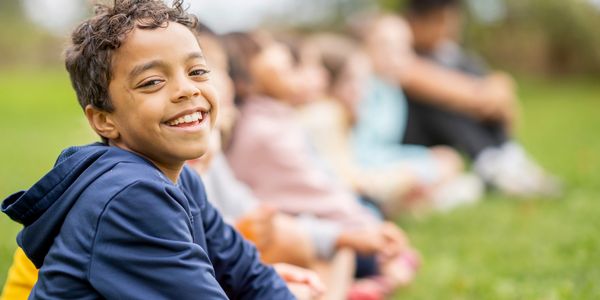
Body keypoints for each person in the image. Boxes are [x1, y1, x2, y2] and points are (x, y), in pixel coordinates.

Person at [0, 1, 312, 298]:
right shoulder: (130, 196)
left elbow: (247, 273)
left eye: (197, 71)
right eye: (151, 82)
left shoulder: (181, 179)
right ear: (104, 120)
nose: (187, 89)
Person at [221, 31, 420, 299]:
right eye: (264, 49)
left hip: (310, 227)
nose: (279, 52)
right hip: (296, 231)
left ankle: (359, 283)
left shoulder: (276, 120)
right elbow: (318, 194)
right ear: (244, 76)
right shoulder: (263, 131)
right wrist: (365, 229)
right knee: (351, 248)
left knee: (359, 244)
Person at [403, 0, 561, 197]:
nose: (447, 29)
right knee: (444, 100)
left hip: (447, 138)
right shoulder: (397, 45)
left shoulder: (451, 54)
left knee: (463, 83)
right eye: (440, 21)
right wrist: (487, 92)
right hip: (411, 137)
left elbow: (507, 109)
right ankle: (493, 163)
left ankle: (507, 156)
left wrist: (500, 87)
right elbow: (415, 78)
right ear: (415, 21)